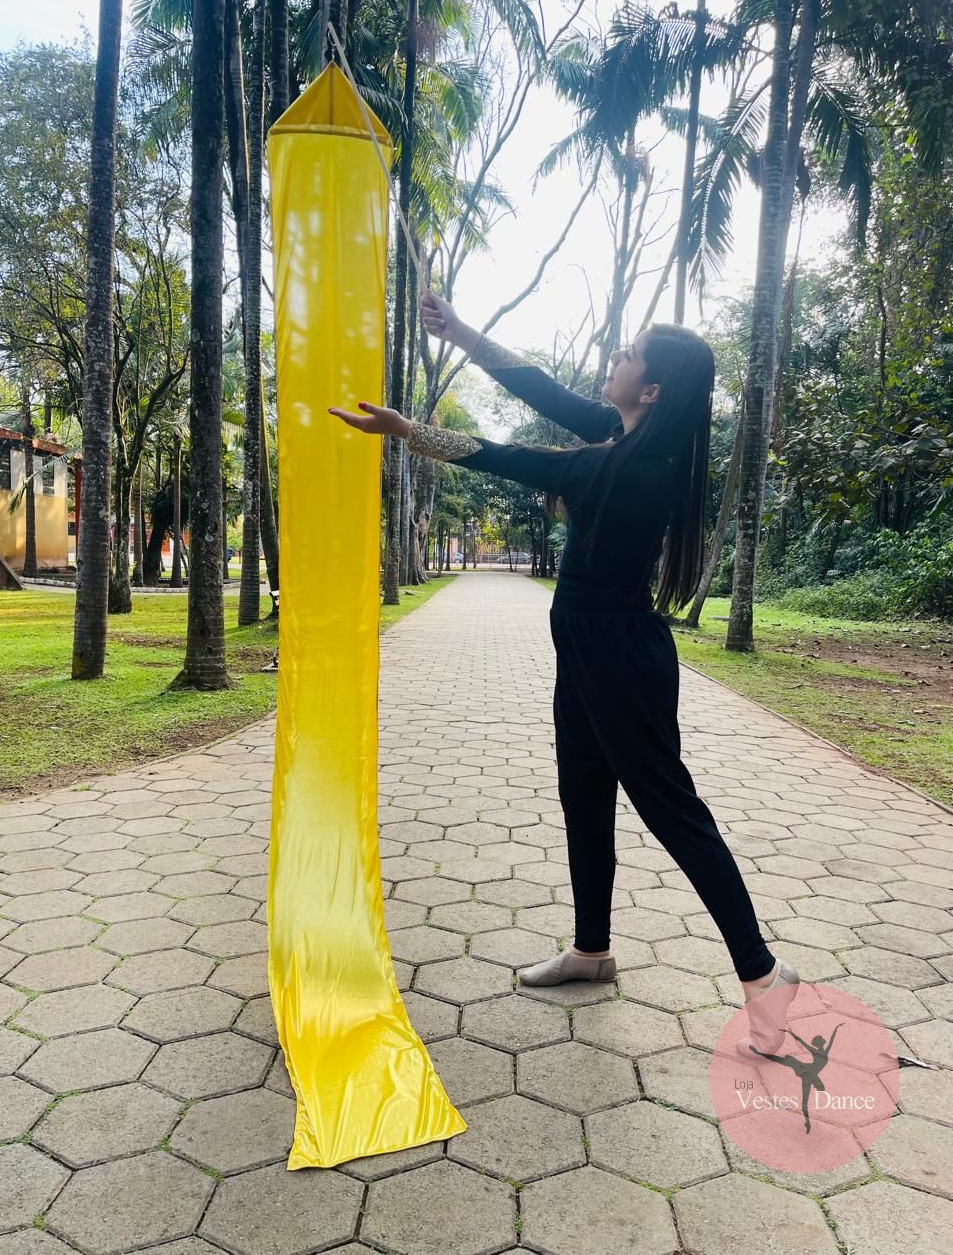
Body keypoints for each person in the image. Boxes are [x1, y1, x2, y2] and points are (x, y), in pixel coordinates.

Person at [328, 289, 799, 1052]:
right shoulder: (623, 439)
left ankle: (763, 976)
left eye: (629, 354)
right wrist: (464, 333)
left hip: (622, 660)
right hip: (586, 653)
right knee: (582, 791)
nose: (616, 356)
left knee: (673, 812)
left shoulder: (630, 469)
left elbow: (512, 458)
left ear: (651, 389)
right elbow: (540, 388)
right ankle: (591, 949)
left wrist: (407, 431)